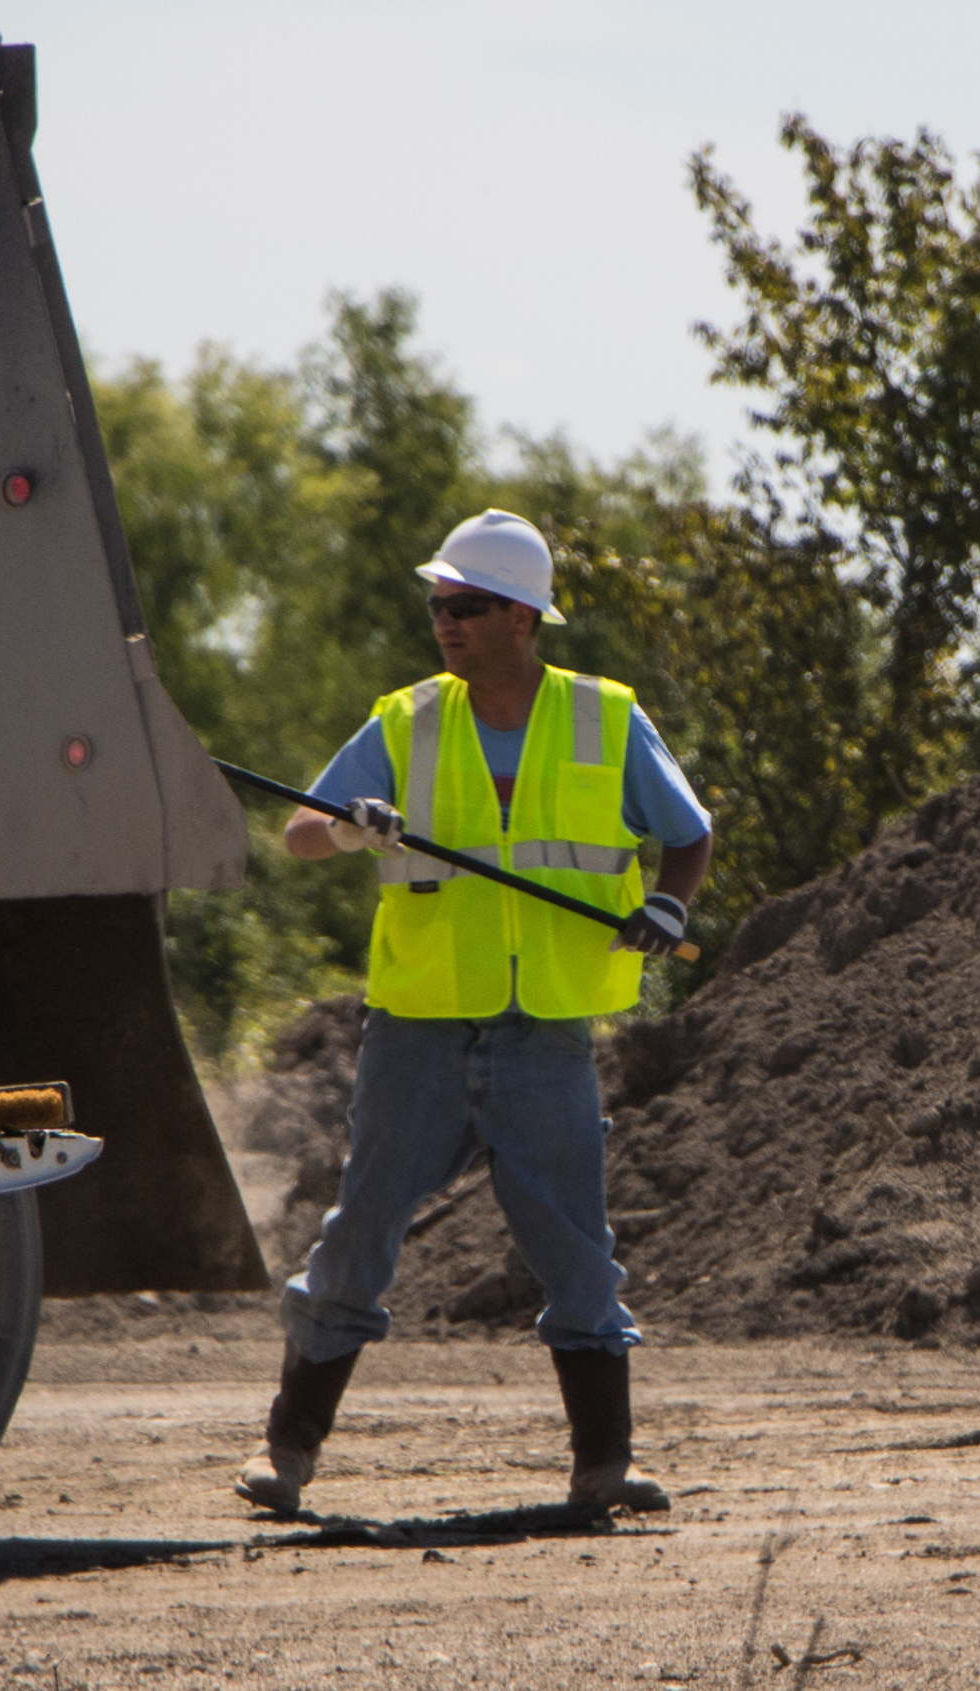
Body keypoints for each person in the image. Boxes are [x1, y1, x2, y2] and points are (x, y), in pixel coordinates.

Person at [234, 508, 712, 1519]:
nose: (445, 620)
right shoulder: (408, 718)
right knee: (361, 1230)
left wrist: (669, 905)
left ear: (526, 616)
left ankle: (604, 1467)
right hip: (420, 1024)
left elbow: (687, 831)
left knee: (577, 1244)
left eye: (469, 605)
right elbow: (299, 831)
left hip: (546, 1026)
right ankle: (288, 1452)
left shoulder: (605, 717)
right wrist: (353, 831)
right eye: (439, 603)